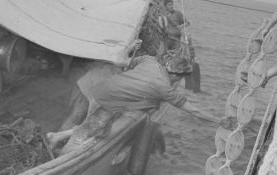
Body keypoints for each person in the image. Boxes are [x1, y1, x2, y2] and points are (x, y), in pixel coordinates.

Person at [47, 52, 221, 155]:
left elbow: (128, 62)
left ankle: (56, 137)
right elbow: (195, 111)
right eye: (183, 78)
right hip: (107, 100)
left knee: (99, 130)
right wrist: (219, 121)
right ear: (177, 75)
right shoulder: (165, 89)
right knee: (85, 136)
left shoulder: (150, 61)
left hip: (103, 89)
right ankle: (61, 160)